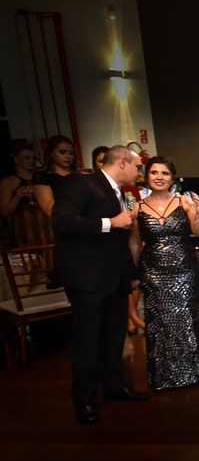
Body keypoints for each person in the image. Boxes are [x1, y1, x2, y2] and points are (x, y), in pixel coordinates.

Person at [50, 145, 149, 424]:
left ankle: (115, 386)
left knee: (114, 335)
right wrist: (110, 222)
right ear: (121, 162)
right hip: (87, 277)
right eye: (137, 166)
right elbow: (62, 221)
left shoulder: (120, 192)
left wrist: (129, 272)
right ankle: (84, 400)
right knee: (87, 340)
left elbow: (121, 242)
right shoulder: (80, 183)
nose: (139, 172)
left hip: (113, 275)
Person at [129, 157, 199, 389]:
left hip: (185, 268)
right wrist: (133, 272)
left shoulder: (184, 201)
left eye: (164, 173)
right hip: (153, 270)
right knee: (162, 322)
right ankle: (165, 374)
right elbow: (134, 242)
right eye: (154, 173)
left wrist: (198, 212)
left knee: (187, 318)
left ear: (172, 178)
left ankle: (194, 371)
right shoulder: (138, 207)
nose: (159, 177)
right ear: (147, 177)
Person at [1, 143, 54, 246]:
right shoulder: (8, 182)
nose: (31, 161)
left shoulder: (43, 178)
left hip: (46, 224)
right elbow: (4, 212)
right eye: (26, 157)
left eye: (34, 158)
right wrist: (18, 196)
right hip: (24, 226)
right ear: (16, 160)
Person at [33, 134, 81, 218]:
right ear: (51, 153)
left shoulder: (79, 175)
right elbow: (49, 210)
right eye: (62, 152)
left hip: (86, 220)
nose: (68, 156)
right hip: (63, 221)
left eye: (71, 153)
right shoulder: (42, 177)